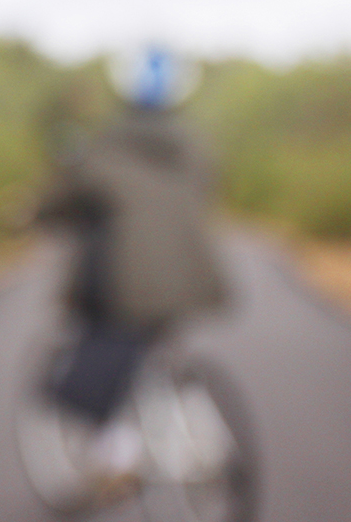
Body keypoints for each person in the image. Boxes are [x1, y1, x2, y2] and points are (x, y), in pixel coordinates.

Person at [34, 47, 229, 424]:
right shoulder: (195, 148)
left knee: (101, 356)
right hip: (193, 280)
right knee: (142, 350)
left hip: (130, 290)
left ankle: (112, 457)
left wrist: (34, 213)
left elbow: (65, 200)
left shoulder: (104, 148)